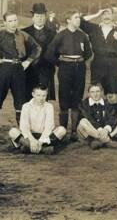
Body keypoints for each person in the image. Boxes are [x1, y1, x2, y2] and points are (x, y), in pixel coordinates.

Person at [0, 12, 40, 150]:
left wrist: (29, 61)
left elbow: (37, 48)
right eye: (10, 21)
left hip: (19, 70)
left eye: (15, 20)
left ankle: (25, 138)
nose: (14, 23)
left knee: (21, 105)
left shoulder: (23, 35)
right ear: (5, 23)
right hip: (3, 70)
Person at [45, 9, 93, 141]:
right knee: (64, 97)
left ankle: (74, 131)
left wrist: (80, 61)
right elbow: (49, 53)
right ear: (68, 20)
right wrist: (60, 63)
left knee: (77, 98)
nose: (79, 20)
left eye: (79, 18)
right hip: (65, 68)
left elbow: (88, 53)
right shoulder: (61, 35)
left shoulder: (82, 35)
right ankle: (63, 131)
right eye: (76, 17)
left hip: (80, 68)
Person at [81, 6, 117, 95]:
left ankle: (112, 109)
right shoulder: (94, 29)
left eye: (108, 14)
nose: (106, 16)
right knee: (96, 90)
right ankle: (97, 108)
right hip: (98, 63)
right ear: (101, 16)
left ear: (113, 16)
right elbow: (81, 21)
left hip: (114, 65)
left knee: (113, 92)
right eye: (103, 14)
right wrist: (97, 13)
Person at [8, 85, 67, 154]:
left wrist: (40, 141)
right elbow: (24, 127)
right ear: (33, 94)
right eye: (38, 95)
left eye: (44, 96)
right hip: (29, 136)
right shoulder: (26, 106)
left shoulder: (49, 106)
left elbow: (49, 127)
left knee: (62, 130)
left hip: (44, 137)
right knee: (12, 131)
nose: (41, 98)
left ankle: (27, 148)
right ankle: (43, 150)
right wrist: (32, 140)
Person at [23, 3, 57, 101]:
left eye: (42, 16)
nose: (40, 19)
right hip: (29, 70)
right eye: (37, 16)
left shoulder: (53, 33)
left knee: (43, 98)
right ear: (33, 18)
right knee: (27, 98)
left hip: (46, 70)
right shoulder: (24, 32)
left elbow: (56, 52)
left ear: (45, 17)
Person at [77, 83, 117, 150]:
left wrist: (106, 129)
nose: (95, 94)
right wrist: (99, 130)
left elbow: (112, 117)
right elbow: (88, 118)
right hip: (90, 132)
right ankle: (108, 142)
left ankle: (103, 139)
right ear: (89, 93)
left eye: (97, 91)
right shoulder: (84, 104)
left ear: (101, 92)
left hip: (106, 132)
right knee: (83, 121)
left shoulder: (107, 103)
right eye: (92, 92)